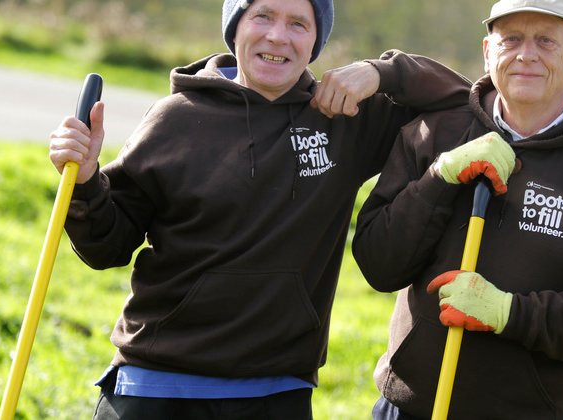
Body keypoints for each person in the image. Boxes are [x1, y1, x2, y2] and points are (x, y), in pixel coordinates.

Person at [47, 0, 471, 418]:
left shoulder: (344, 117)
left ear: (316, 41)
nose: (277, 36)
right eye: (262, 16)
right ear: (235, 28)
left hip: (276, 388)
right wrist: (85, 182)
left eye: (298, 24)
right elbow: (108, 246)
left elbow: (461, 99)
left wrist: (382, 72)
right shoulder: (174, 120)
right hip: (157, 381)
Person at [352, 0, 563, 418]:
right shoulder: (435, 132)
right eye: (511, 39)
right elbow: (378, 264)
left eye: (546, 41)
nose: (526, 54)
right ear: (487, 51)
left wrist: (510, 313)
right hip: (410, 408)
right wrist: (439, 179)